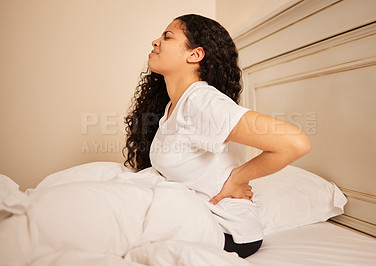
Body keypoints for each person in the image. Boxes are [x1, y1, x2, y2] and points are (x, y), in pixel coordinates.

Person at [124, 14, 311, 258]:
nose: (155, 42)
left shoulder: (202, 101)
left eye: (167, 37)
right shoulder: (174, 105)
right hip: (199, 215)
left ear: (195, 55)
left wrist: (237, 180)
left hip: (228, 229)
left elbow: (294, 143)